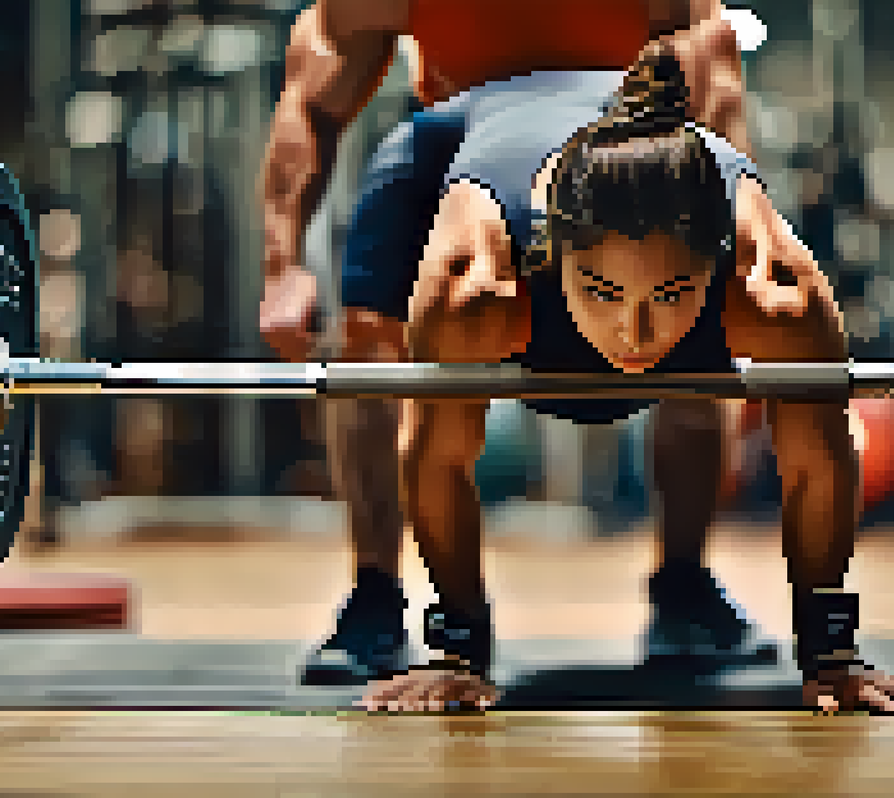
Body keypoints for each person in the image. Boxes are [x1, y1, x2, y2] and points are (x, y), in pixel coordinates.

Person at [354, 44, 894, 714]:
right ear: (552, 259)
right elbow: (437, 456)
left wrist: (831, 655)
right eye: (603, 292)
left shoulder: (776, 290)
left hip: (640, 155)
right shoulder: (475, 285)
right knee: (366, 352)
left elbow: (818, 461)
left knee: (741, 404)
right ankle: (370, 600)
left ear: (714, 265)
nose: (636, 334)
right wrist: (457, 653)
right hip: (467, 129)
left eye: (670, 294)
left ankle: (684, 590)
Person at [259, 0, 767, 686]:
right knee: (370, 336)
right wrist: (281, 267)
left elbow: (719, 80)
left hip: (620, 152)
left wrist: (735, 234)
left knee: (704, 335)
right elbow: (310, 104)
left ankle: (684, 589)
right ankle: (376, 598)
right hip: (464, 146)